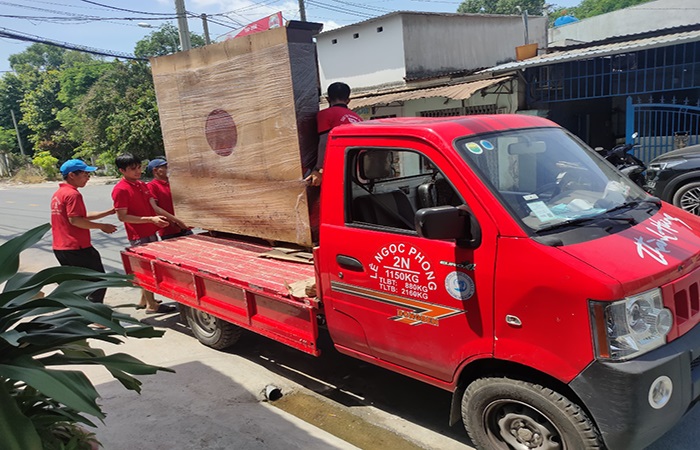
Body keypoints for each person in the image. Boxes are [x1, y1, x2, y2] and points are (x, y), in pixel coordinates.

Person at [111, 153, 186, 313]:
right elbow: (122, 216)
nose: (138, 171)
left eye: (139, 167)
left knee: (149, 266)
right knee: (146, 270)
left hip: (151, 230)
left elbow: (155, 207)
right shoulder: (120, 189)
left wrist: (174, 220)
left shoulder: (141, 185)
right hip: (139, 235)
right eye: (133, 169)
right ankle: (152, 305)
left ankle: (143, 300)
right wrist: (150, 219)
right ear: (122, 170)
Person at [51, 159, 117, 304]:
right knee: (98, 280)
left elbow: (80, 216)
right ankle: (94, 314)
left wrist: (108, 212)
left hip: (61, 247)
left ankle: (79, 313)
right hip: (77, 247)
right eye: (85, 174)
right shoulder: (73, 195)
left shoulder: (59, 193)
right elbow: (75, 221)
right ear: (72, 175)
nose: (88, 177)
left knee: (77, 283)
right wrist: (102, 226)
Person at [305, 82, 363, 186]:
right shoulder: (358, 118)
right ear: (348, 100)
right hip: (357, 171)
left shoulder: (325, 114)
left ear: (327, 99)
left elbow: (324, 142)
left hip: (337, 169)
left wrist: (318, 168)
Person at [146, 158, 192, 240]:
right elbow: (155, 209)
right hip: (169, 231)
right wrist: (175, 221)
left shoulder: (172, 183)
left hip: (185, 227)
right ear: (155, 170)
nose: (168, 169)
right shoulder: (152, 186)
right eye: (164, 167)